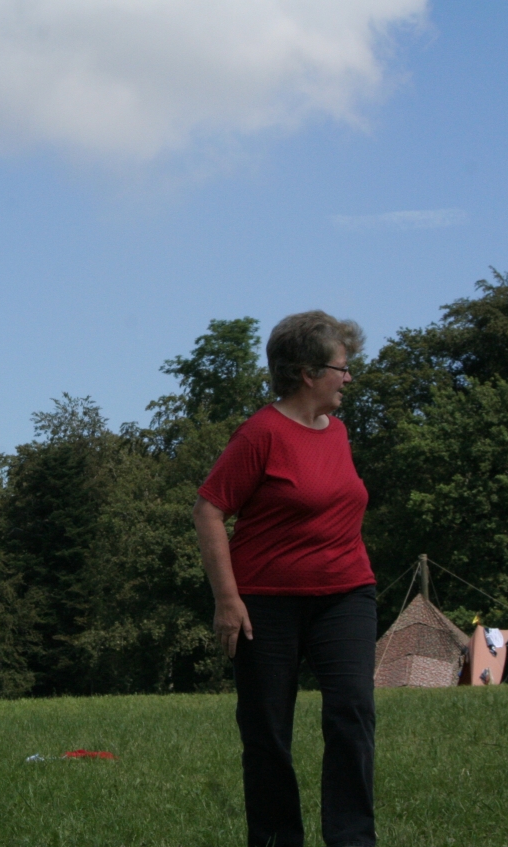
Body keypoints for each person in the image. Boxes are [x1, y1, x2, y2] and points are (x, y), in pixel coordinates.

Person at [194, 311, 376, 847]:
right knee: (268, 731)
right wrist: (227, 600)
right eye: (341, 368)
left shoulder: (338, 433)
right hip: (266, 603)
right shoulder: (261, 434)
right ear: (307, 372)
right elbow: (208, 510)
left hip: (346, 594)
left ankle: (352, 839)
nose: (348, 378)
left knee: (352, 713)